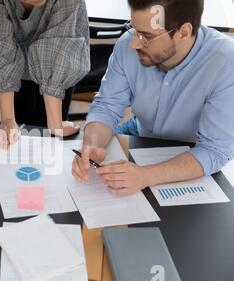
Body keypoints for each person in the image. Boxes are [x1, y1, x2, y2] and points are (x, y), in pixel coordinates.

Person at [72, 0, 234, 196]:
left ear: (183, 32)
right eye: (133, 29)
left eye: (146, 36)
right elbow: (107, 106)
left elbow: (214, 151)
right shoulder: (127, 45)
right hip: (140, 129)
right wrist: (91, 144)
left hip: (193, 148)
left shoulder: (226, 62)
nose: (134, 43)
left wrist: (145, 176)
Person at [0, 0, 91, 148]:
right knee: (21, 137)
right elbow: (1, 48)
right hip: (15, 69)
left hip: (59, 66)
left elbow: (58, 47)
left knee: (52, 142)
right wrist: (8, 119)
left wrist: (56, 124)